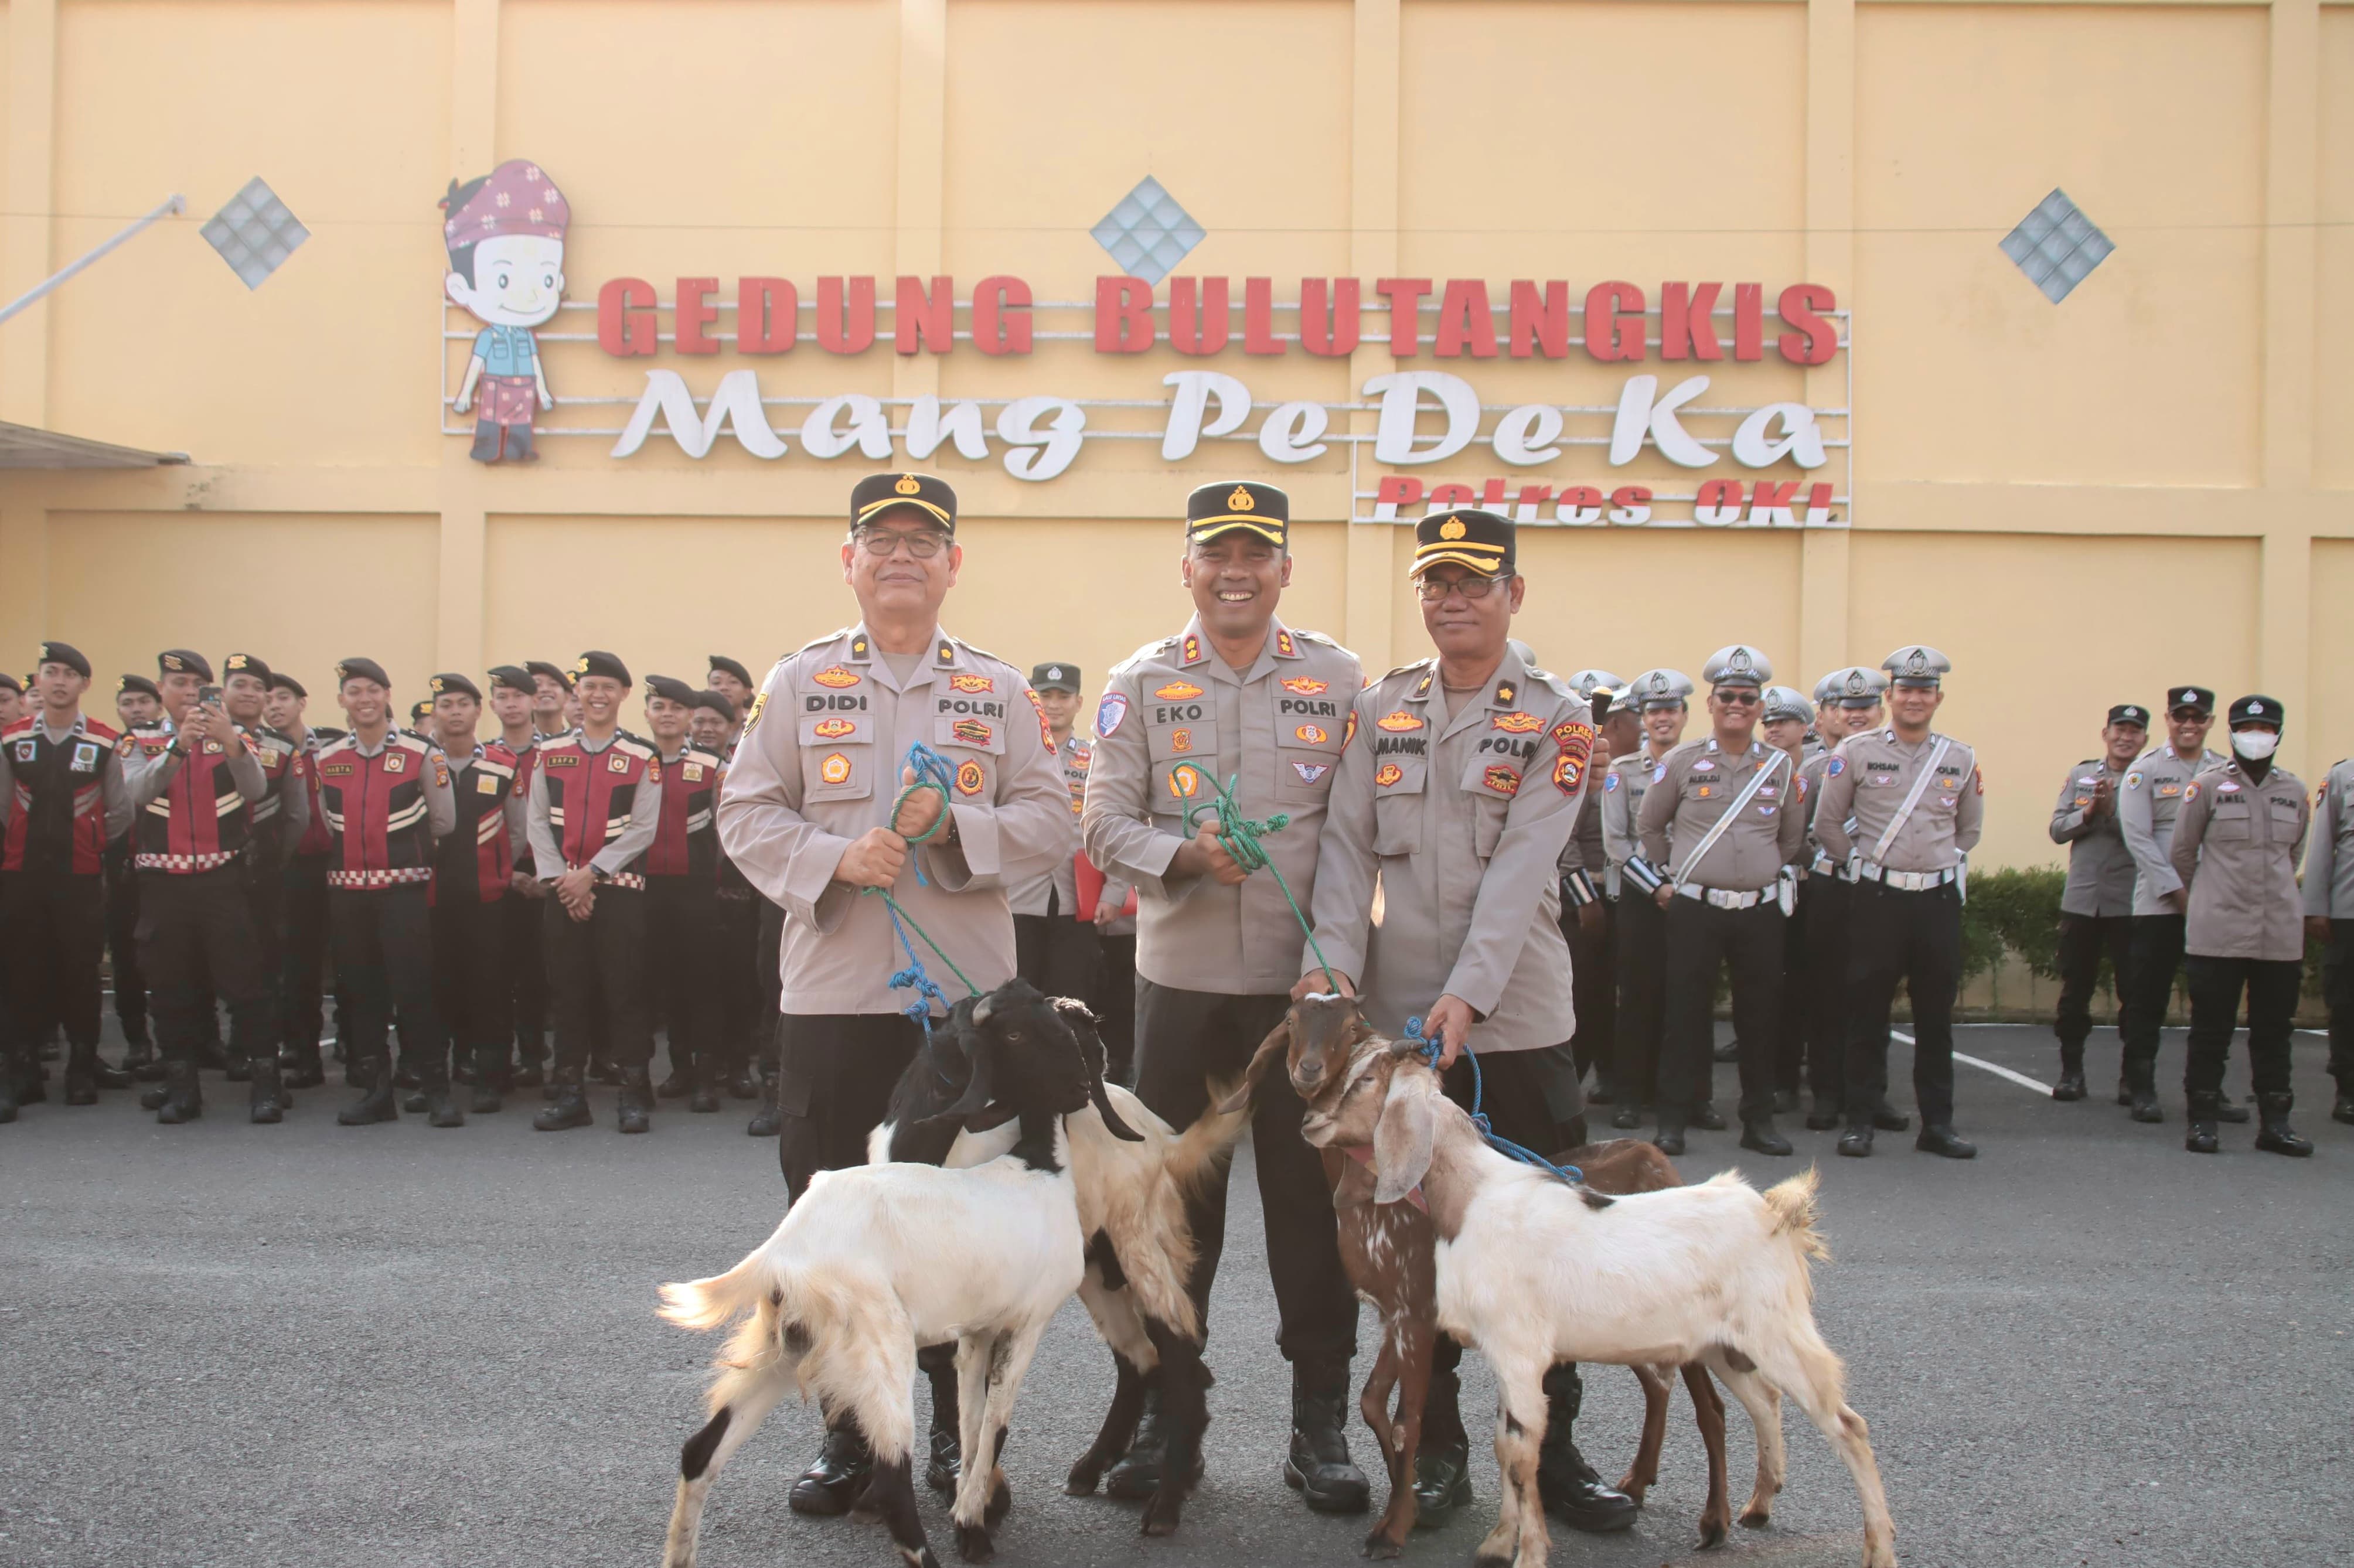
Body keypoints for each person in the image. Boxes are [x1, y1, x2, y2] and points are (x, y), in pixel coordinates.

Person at [720, 471, 1069, 1512]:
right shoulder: (799, 683)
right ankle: (853, 1440)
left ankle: (964, 1444)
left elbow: (1053, 819)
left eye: (924, 541)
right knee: (832, 1231)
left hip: (960, 1013)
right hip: (833, 999)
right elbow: (744, 814)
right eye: (883, 540)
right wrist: (831, 858)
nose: (903, 556)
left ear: (953, 564)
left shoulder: (998, 694)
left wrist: (959, 830)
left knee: (957, 1230)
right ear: (851, 560)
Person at [1302, 507, 1632, 1534]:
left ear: (1512, 596)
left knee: (1546, 1240)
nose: (1452, 599)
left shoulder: (1558, 716)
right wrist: (1332, 972)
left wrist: (1469, 995)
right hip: (1400, 1023)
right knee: (1417, 1248)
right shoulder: (1379, 705)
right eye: (1435, 582)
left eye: (1473, 582)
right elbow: (1345, 851)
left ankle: (1555, 1448)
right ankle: (1432, 1448)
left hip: (1515, 1019)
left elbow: (1524, 868)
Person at [1082, 480, 1369, 1516]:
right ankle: (1167, 1419)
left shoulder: (1338, 680)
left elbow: (1353, 839)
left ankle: (1320, 1423)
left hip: (1301, 998)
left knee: (1312, 1210)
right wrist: (1182, 856)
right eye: (1216, 552)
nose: (1234, 570)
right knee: (1170, 1217)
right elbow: (1103, 822)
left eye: (1255, 553)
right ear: (1189, 567)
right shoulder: (1140, 681)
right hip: (1183, 994)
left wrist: (1334, 961)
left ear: (1284, 569)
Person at [1813, 645, 1982, 1160]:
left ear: (1937, 698)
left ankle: (1938, 1125)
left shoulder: (1959, 757)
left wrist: (1936, 861)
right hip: (1877, 897)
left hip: (1935, 900)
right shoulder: (1855, 752)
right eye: (1905, 690)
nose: (1914, 698)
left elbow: (1968, 829)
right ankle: (1859, 1121)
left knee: (1936, 1018)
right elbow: (1827, 825)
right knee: (1866, 1012)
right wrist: (1862, 868)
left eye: (1924, 691)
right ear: (1890, 696)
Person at [1635, 646, 1805, 1157]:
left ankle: (1758, 1122)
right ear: (1710, 703)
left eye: (1747, 698)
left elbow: (1791, 840)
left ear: (1759, 707)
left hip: (1758, 910)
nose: (1737, 704)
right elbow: (1649, 826)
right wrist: (1683, 871)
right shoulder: (1683, 762)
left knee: (1760, 1017)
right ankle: (1672, 1121)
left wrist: (1755, 869)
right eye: (1727, 696)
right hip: (1696, 909)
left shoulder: (1779, 767)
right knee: (1684, 1016)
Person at [117, 650, 277, 1124]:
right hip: (162, 883)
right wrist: (177, 749)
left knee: (245, 984)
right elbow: (136, 794)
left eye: (198, 685)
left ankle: (266, 1086)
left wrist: (231, 743)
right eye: (179, 683)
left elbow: (256, 790)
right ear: (162, 691)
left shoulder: (237, 736)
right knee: (171, 988)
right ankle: (183, 1088)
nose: (189, 693)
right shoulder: (138, 741)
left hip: (221, 881)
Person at [312, 660, 458, 1125]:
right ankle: (377, 1093)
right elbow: (325, 821)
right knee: (361, 995)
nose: (364, 699)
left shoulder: (422, 753)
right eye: (354, 691)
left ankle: (436, 1091)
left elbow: (444, 821)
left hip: (402, 893)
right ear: (341, 701)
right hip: (348, 894)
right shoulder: (327, 759)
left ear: (387, 694)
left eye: (373, 689)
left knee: (415, 990)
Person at [526, 651, 665, 1134]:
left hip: (620, 892)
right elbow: (537, 822)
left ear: (624, 694)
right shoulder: (550, 752)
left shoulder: (641, 755)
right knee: (567, 995)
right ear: (575, 695)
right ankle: (569, 1095)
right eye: (588, 687)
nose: (598, 695)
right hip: (563, 893)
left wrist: (592, 874)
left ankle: (632, 1095)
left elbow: (643, 829)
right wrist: (561, 881)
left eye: (608, 686)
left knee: (624, 994)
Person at [2169, 696, 2311, 1155]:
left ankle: (2275, 1123)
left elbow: (2292, 856)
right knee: (2211, 1029)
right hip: (2218, 931)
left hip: (2278, 933)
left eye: (2265, 727)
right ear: (2230, 732)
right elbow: (2182, 854)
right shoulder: (2206, 786)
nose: (2256, 734)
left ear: (2278, 734)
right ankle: (2202, 1121)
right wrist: (2208, 899)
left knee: (2274, 1031)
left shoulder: (2294, 789)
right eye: (2247, 725)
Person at [0, 642, 134, 1120]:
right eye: (50, 672)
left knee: (80, 974)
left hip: (79, 878)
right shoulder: (12, 739)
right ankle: (22, 1071)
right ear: (36, 680)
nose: (58, 681)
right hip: (20, 877)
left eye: (69, 674)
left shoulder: (103, 740)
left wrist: (91, 843)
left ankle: (81, 1067)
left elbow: (120, 811)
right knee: (22, 973)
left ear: (84, 685)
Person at [2114, 685, 2236, 1123]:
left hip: (2214, 902)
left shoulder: (2224, 770)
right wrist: (2177, 892)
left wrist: (2208, 895)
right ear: (2167, 719)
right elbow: (2138, 839)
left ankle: (2207, 1088)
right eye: (2180, 717)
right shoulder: (2143, 771)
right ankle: (2140, 1086)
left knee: (2214, 1001)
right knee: (2148, 999)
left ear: (2209, 722)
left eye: (2197, 718)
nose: (2188, 725)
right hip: (2158, 905)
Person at [424, 673, 525, 1115]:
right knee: (438, 987)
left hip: (487, 899)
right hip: (429, 898)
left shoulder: (503, 764)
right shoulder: (421, 761)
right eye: (446, 704)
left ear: (478, 711)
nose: (455, 712)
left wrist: (500, 872)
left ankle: (491, 1076)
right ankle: (439, 1075)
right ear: (435, 712)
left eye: (463, 704)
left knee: (490, 988)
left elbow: (519, 831)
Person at [1602, 667, 1694, 1131]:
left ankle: (1686, 1097)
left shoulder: (1702, 765)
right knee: (1636, 999)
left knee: (1685, 1000)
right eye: (1653, 711)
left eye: (1670, 710)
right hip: (1642, 896)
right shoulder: (1622, 773)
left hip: (1693, 894)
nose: (1662, 719)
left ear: (1684, 715)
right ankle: (1629, 1096)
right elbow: (1615, 843)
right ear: (1641, 718)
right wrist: (1656, 886)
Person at [1795, 667, 1887, 1129]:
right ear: (1829, 714)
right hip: (1832, 889)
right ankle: (1828, 1094)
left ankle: (1871, 1095)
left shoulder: (1903, 765)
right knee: (1828, 995)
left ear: (1880, 710)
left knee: (1876, 996)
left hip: (1884, 892)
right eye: (1846, 709)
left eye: (1865, 708)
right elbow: (1796, 837)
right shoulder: (1812, 770)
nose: (1856, 716)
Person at [2045, 704, 2148, 1100]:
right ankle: (2071, 1072)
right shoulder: (2080, 775)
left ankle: (2131, 1078)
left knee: (2134, 993)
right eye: (2119, 730)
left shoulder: (2149, 777)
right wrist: (2088, 814)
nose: (2125, 737)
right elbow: (2056, 829)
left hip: (2130, 902)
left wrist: (2115, 814)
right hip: (2083, 900)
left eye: (2134, 732)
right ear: (2105, 734)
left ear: (2144, 739)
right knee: (2075, 992)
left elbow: (2153, 837)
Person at [642, 674, 727, 1112]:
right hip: (645, 889)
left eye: (676, 708)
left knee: (701, 984)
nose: (668, 715)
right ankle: (680, 1069)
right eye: (659, 708)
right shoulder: (635, 760)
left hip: (696, 890)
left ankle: (707, 1077)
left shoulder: (713, 767)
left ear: (690, 717)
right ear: (647, 714)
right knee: (665, 983)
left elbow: (726, 832)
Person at [219, 653, 304, 1085]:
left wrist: (273, 858)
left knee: (262, 966)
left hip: (261, 874)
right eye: (240, 685)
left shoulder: (282, 749)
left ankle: (254, 1052)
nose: (250, 694)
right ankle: (206, 1054)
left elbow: (297, 817)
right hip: (206, 875)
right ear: (223, 691)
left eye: (258, 688)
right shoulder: (198, 740)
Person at [264, 671, 339, 1088]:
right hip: (289, 868)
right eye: (269, 699)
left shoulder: (330, 744)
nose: (275, 706)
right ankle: (303, 1050)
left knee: (347, 961)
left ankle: (355, 1045)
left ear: (302, 703)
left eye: (284, 697)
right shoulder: (260, 751)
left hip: (336, 864)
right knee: (297, 965)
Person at [1009, 661, 1096, 1002]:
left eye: (1065, 695)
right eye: (1046, 695)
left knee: (1072, 997)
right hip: (1018, 895)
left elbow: (1112, 823)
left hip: (1077, 897)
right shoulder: (1013, 753)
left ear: (1079, 702)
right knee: (1016, 996)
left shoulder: (1096, 758)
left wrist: (1114, 893)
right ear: (1033, 699)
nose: (1055, 703)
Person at [1559, 670, 1621, 1103]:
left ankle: (1614, 1077)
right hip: (1582, 898)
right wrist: (1586, 901)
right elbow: (1565, 838)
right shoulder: (1571, 763)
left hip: (1621, 894)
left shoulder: (1635, 771)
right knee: (1582, 995)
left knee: (1611, 996)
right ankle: (1573, 1080)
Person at [696, 688, 761, 1102]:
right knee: (700, 988)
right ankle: (699, 1071)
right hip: (697, 895)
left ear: (732, 727)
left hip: (742, 897)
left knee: (742, 986)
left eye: (715, 722)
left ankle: (738, 1067)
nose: (706, 729)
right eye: (699, 721)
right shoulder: (682, 768)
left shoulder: (743, 768)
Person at [488, 666, 551, 1088]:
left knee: (539, 972)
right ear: (492, 704)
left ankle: (533, 1056)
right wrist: (505, 874)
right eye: (502, 696)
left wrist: (546, 876)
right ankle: (495, 1060)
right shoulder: (485, 756)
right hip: (496, 875)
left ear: (533, 702)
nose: (511, 704)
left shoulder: (555, 751)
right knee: (496, 970)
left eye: (518, 696)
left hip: (548, 874)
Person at [1759, 683, 1817, 1115]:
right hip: (1771, 890)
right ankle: (1778, 1081)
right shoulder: (1762, 769)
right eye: (1770, 722)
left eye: (1784, 722)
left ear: (1804, 727)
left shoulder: (1818, 770)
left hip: (1811, 887)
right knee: (1771, 989)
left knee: (1806, 987)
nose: (1774, 729)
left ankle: (1804, 1077)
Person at [107, 674, 165, 1078]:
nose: (137, 710)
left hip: (160, 869)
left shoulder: (165, 749)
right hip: (120, 869)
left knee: (165, 958)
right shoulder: (111, 750)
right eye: (128, 703)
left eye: (144, 702)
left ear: (158, 708)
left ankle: (179, 1044)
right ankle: (137, 1042)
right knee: (126, 959)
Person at [2301, 749, 2354, 1126]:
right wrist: (2315, 906)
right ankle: (2349, 1091)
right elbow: (2322, 845)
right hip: (2349, 912)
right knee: (2348, 1005)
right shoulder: (2342, 778)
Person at [707, 656, 754, 745]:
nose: (724, 688)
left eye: (733, 682)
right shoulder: (697, 731)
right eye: (716, 683)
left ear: (747, 692)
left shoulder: (755, 730)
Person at [526, 660, 572, 739]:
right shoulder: (517, 746)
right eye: (537, 685)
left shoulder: (580, 745)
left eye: (553, 684)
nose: (545, 689)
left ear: (567, 697)